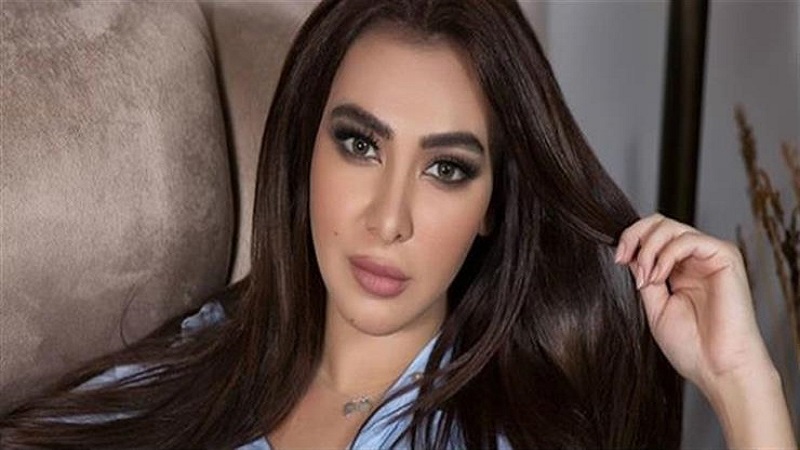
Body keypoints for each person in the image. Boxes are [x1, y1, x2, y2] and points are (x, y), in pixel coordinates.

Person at [1, 0, 795, 448]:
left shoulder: (516, 434)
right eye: (360, 145)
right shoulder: (192, 366)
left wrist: (742, 385)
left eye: (447, 169)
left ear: (492, 207)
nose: (389, 220)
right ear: (304, 153)